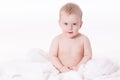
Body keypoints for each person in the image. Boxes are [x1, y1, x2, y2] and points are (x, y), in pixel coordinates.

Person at [49, 2, 92, 73]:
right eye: (66, 24)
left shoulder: (84, 39)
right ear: (60, 23)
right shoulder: (57, 40)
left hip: (79, 70)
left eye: (74, 24)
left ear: (80, 24)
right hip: (60, 70)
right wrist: (61, 68)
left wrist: (78, 67)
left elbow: (88, 56)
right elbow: (52, 56)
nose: (70, 28)